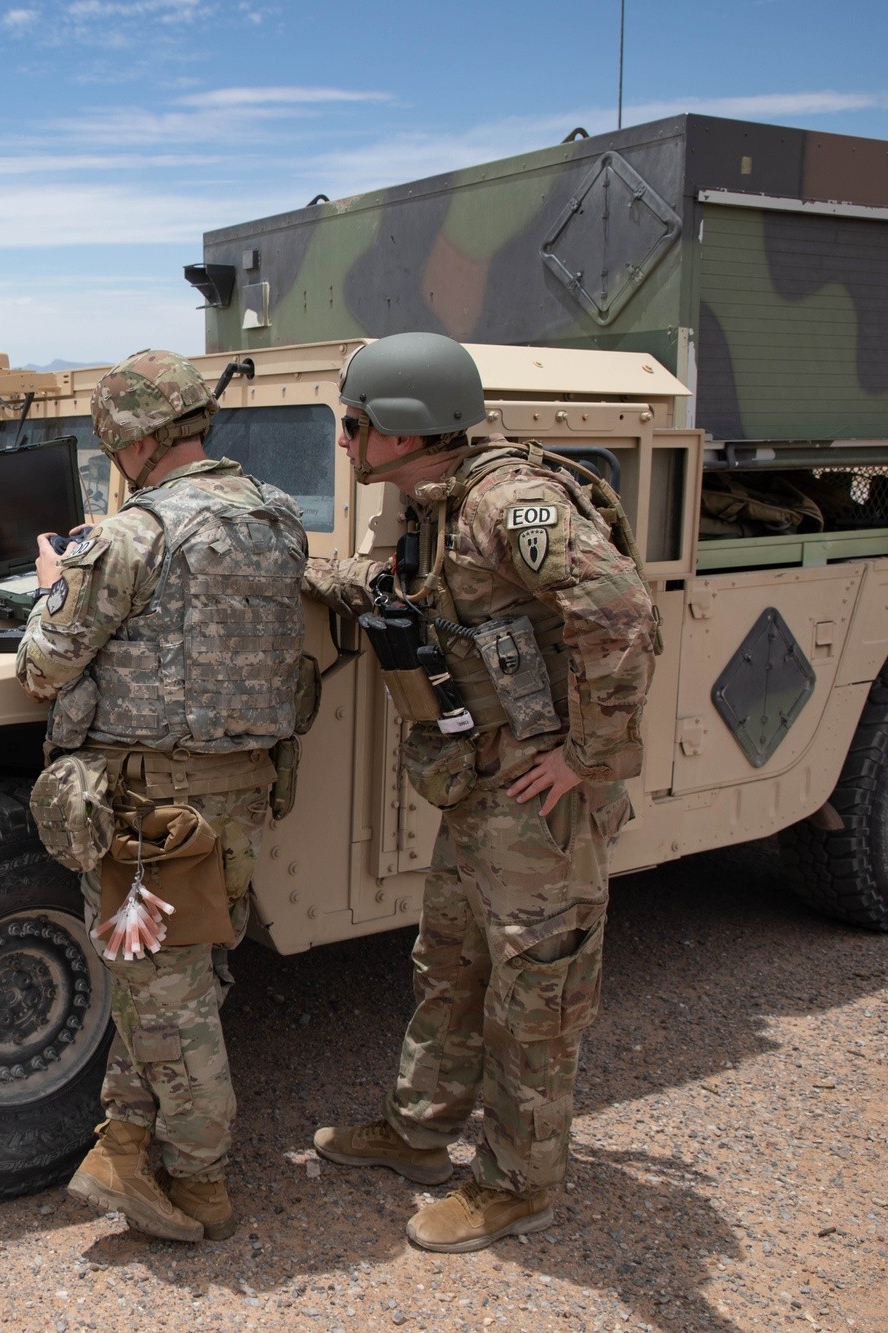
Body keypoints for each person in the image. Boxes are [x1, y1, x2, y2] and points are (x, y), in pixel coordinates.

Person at [303, 332, 657, 1253]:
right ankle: (421, 1133)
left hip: (539, 802)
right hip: (482, 791)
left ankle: (517, 1183)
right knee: (450, 964)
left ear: (404, 431)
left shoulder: (511, 504)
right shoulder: (440, 503)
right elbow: (412, 592)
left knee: (537, 995)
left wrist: (589, 755)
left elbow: (619, 609)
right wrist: (309, 572)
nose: (344, 441)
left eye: (354, 424)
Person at [15, 348, 307, 1243]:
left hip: (151, 822)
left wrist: (52, 587)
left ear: (134, 444)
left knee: (160, 999)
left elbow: (43, 666)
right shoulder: (278, 518)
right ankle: (127, 1140)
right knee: (187, 980)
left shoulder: (132, 537)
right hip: (240, 803)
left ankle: (200, 1184)